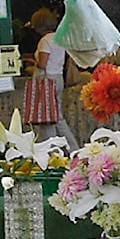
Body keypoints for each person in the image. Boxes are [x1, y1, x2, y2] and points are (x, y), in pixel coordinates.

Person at [30, 8, 78, 151]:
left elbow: (43, 63)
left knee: (47, 118)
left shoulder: (45, 41)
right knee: (57, 116)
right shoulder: (59, 38)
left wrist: (34, 63)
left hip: (46, 79)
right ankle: (73, 147)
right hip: (58, 78)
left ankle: (50, 150)